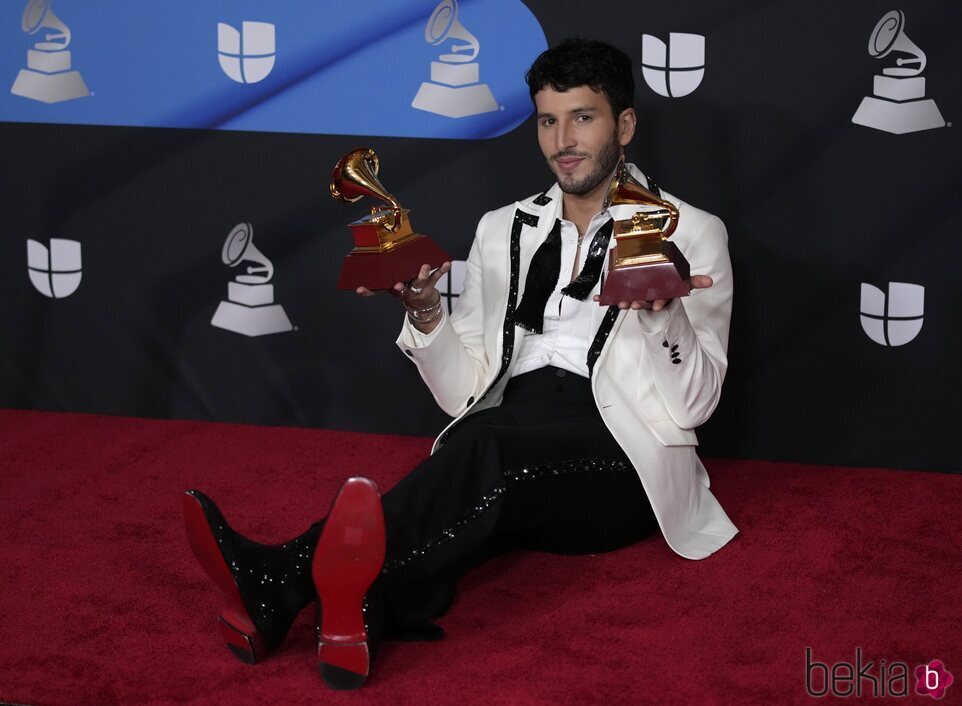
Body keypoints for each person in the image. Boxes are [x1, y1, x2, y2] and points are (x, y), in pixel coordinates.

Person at [183, 37, 738, 691]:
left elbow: (694, 406)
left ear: (624, 124)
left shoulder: (691, 232)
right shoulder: (502, 228)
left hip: (622, 463)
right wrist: (426, 317)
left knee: (482, 448)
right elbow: (465, 394)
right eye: (547, 120)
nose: (563, 139)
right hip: (509, 434)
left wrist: (659, 312)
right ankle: (353, 615)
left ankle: (280, 576)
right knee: (478, 443)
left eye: (582, 117)